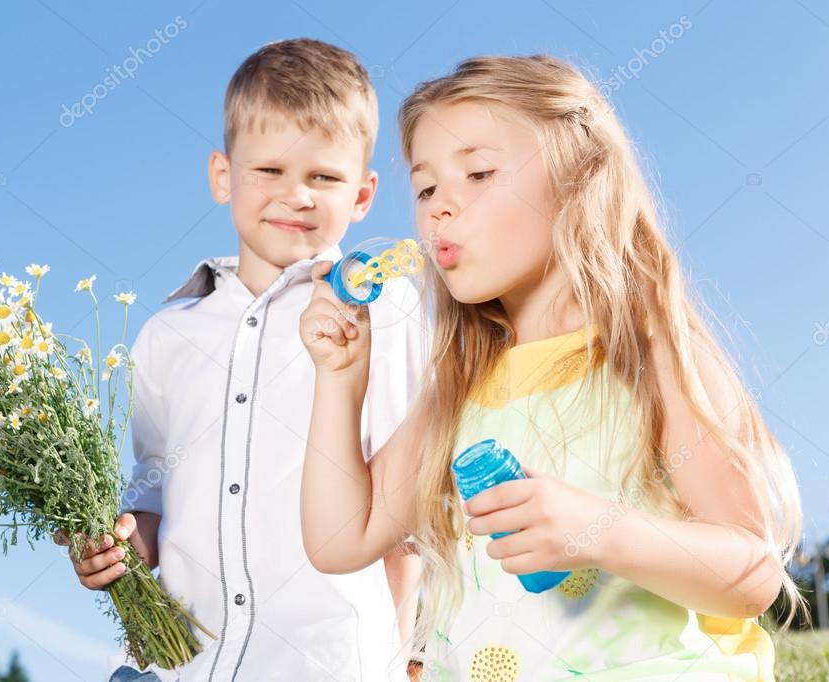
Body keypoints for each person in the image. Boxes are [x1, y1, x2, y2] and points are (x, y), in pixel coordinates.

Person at [298, 54, 803, 681]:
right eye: (425, 188)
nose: (438, 209)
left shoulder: (651, 354)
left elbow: (753, 576)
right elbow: (340, 539)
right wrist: (340, 378)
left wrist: (600, 530)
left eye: (478, 172)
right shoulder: (459, 391)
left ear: (579, 183)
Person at [57, 38, 425, 681]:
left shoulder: (383, 312)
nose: (298, 195)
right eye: (270, 171)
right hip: (183, 667)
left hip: (332, 665)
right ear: (223, 176)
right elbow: (156, 497)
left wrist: (403, 659)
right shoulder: (168, 332)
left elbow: (407, 520)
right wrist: (113, 548)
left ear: (362, 195)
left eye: (324, 177)